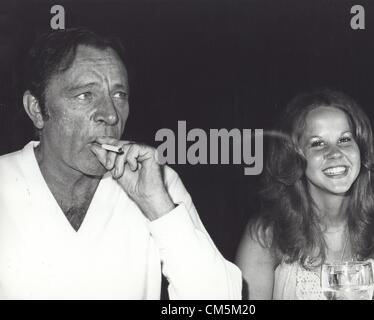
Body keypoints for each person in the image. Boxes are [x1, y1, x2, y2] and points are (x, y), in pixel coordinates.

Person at [0, 28, 241, 299]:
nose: (111, 115)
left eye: (119, 95)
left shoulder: (156, 181)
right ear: (36, 109)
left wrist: (157, 206)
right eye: (85, 95)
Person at [236, 89, 374, 299]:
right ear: (296, 158)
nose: (335, 153)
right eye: (317, 143)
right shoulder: (266, 234)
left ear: (360, 149)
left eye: (344, 139)